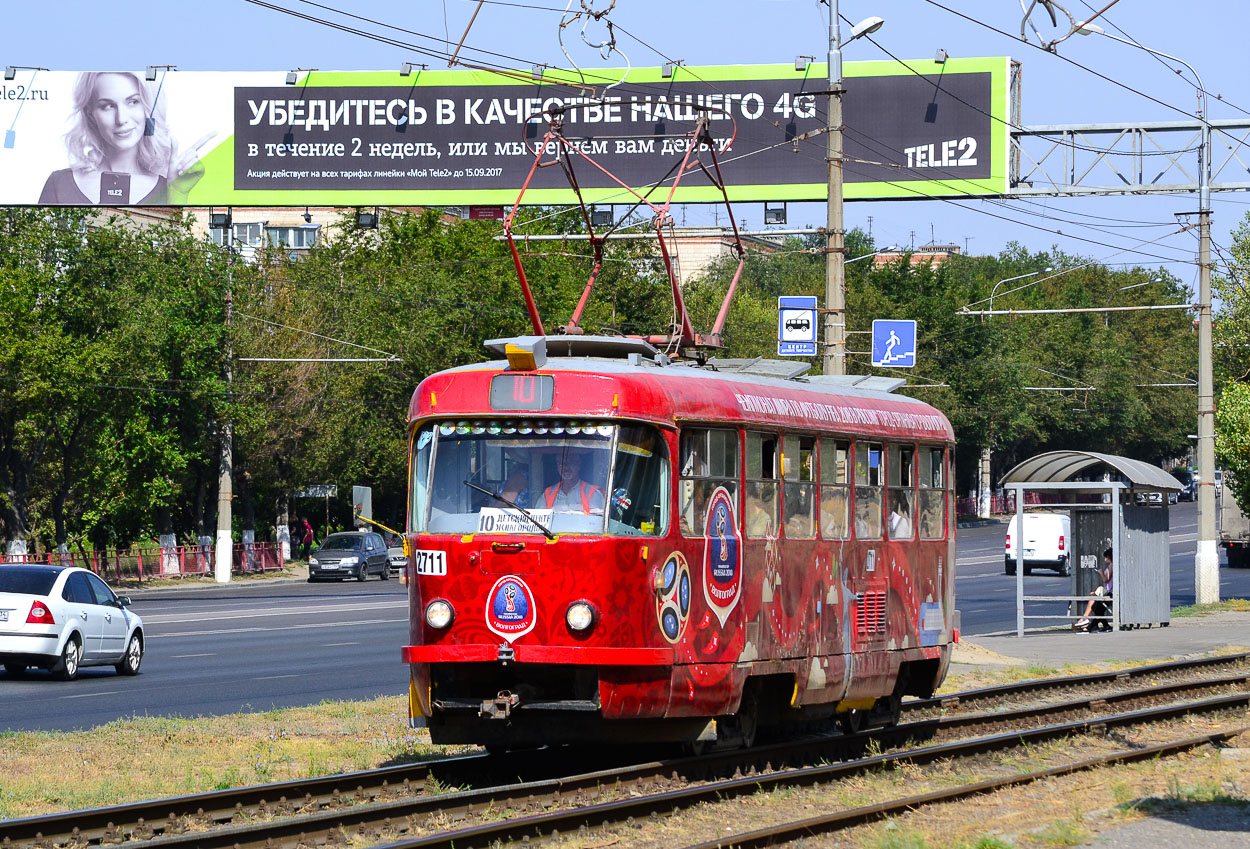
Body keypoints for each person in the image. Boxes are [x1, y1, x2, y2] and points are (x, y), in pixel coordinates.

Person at [38, 71, 211, 206]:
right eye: (107, 106)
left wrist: (177, 195)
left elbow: (183, 249)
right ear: (91, 114)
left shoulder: (171, 188)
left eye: (133, 102)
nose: (121, 119)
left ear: (148, 108)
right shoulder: (59, 184)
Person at [543, 450, 605, 514]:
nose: (566, 467)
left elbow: (597, 521)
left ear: (579, 465)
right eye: (562, 464)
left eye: (570, 463)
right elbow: (538, 519)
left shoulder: (593, 493)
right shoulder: (548, 494)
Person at [1075, 548, 1114, 632]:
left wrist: (1101, 573)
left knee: (1095, 606)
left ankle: (1085, 619)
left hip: (1109, 592)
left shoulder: (1112, 566)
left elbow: (1106, 579)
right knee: (1097, 608)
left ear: (1109, 557)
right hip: (1107, 591)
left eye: (1106, 557)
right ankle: (1103, 626)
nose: (1105, 559)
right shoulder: (1111, 566)